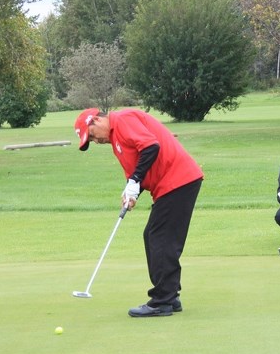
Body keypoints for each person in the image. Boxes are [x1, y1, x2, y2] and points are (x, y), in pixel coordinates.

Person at [74, 108, 203, 317]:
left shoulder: (122, 120)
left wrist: (135, 181)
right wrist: (131, 192)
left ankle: (162, 300)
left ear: (96, 120)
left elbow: (151, 146)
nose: (95, 142)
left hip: (178, 180)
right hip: (171, 185)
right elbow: (137, 171)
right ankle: (170, 296)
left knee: (159, 237)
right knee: (155, 236)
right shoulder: (116, 142)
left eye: (92, 136)